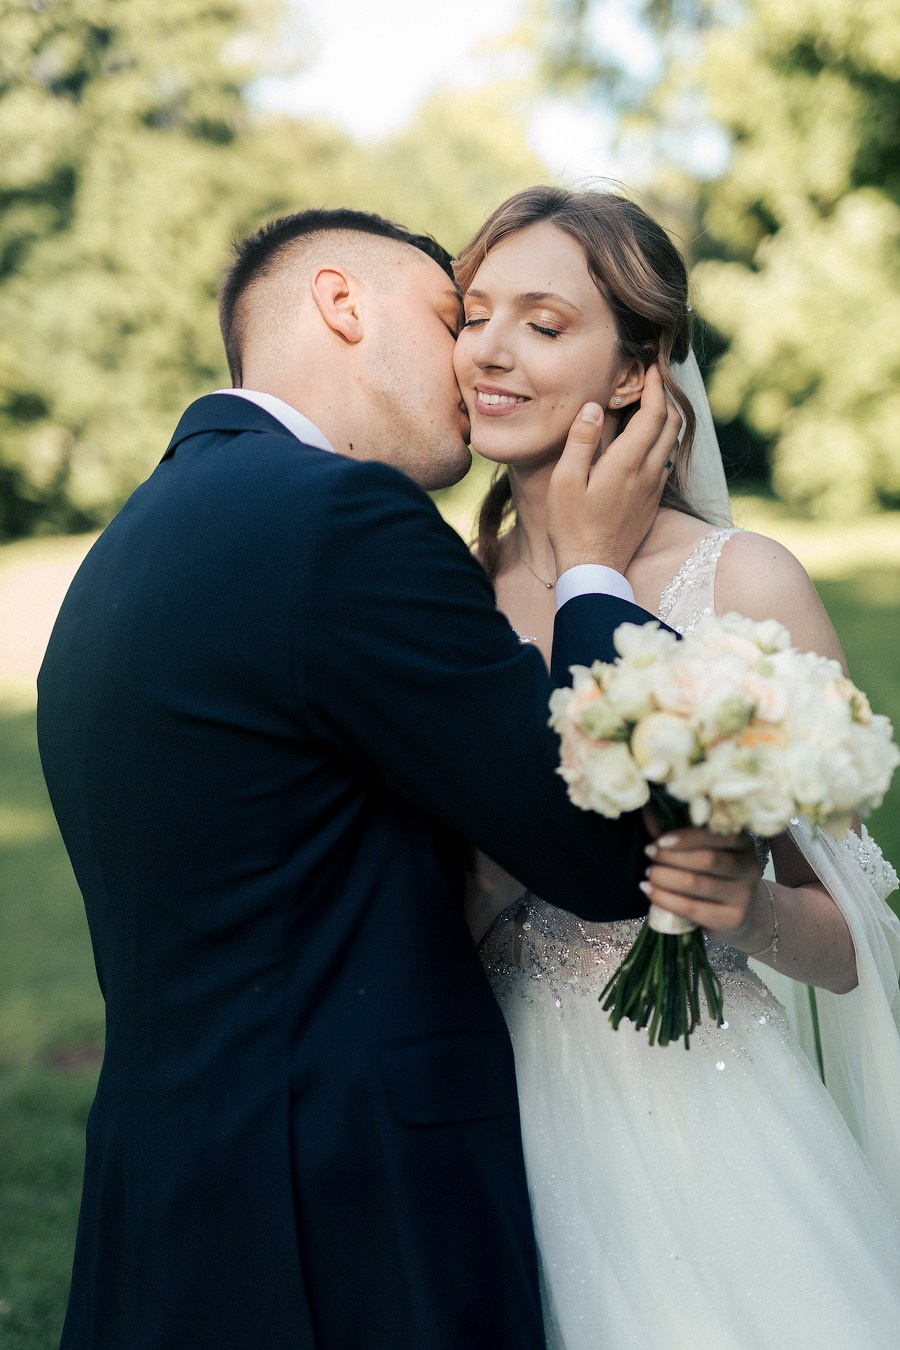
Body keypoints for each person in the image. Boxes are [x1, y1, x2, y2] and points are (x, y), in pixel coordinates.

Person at [35, 206, 731, 1350]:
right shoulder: (339, 519)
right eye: (452, 313)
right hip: (348, 1219)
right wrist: (596, 573)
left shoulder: (137, 539)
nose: (475, 356)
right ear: (342, 305)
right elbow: (606, 845)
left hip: (171, 1202)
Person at [455, 185, 900, 1350]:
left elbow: (855, 944)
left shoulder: (742, 586)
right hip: (480, 1115)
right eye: (474, 314)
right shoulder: (439, 591)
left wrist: (743, 908)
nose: (490, 351)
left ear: (635, 370)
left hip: (701, 1131)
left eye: (544, 326)